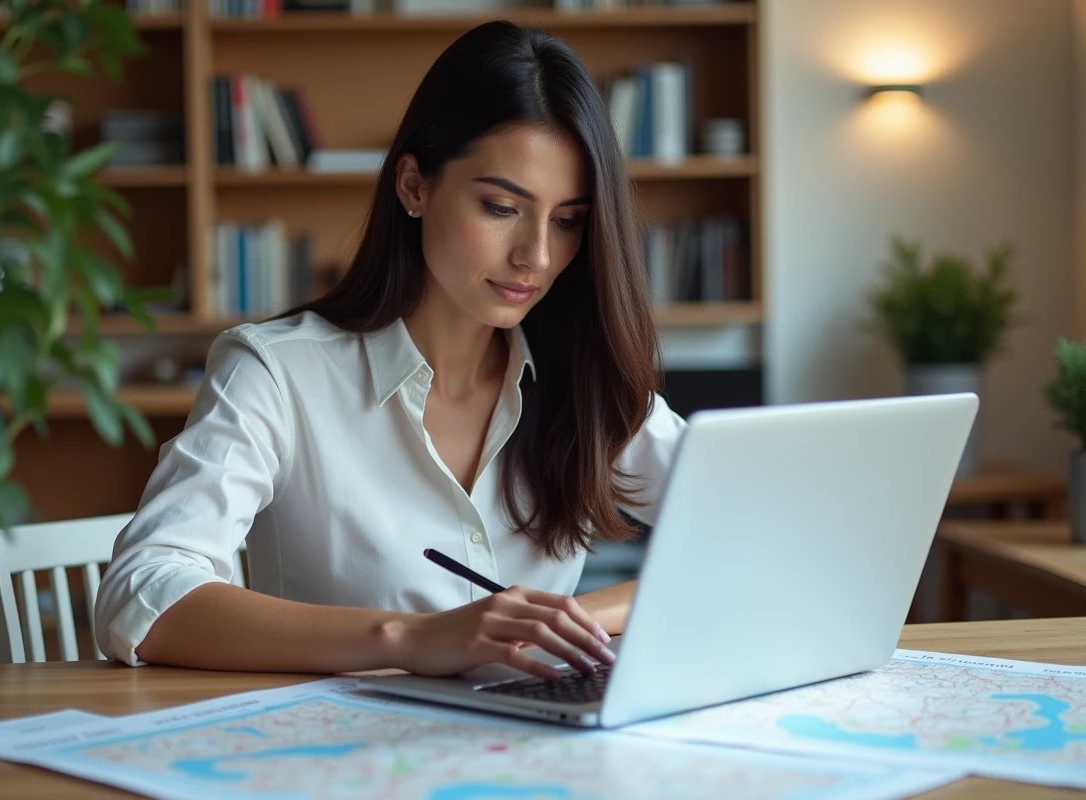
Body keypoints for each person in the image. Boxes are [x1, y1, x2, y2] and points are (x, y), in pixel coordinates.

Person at [94, 20, 687, 681]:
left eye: (569, 220)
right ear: (413, 187)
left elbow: (765, 532)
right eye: (500, 207)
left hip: (536, 756)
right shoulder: (278, 372)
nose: (538, 256)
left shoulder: (584, 378)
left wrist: (573, 618)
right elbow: (141, 594)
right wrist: (409, 638)